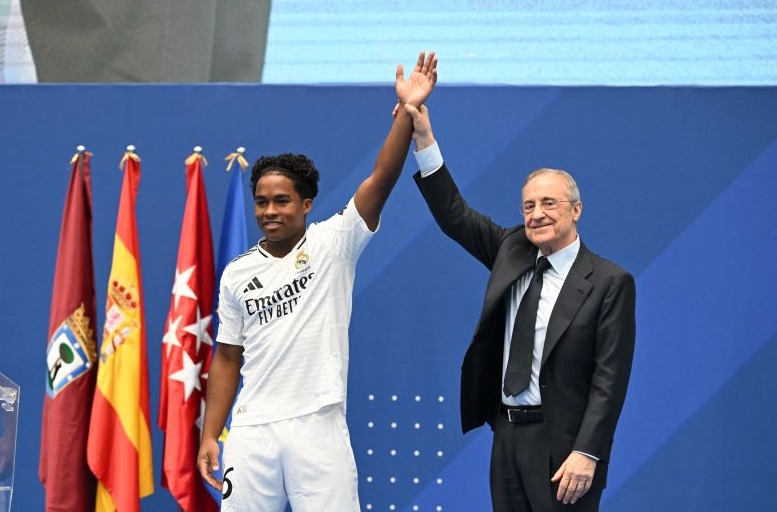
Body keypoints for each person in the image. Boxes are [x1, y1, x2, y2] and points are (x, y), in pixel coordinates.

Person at [197, 52, 437, 512]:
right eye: (262, 202)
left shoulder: (334, 243)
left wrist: (408, 113)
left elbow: (381, 180)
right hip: (252, 431)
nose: (270, 211)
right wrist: (211, 433)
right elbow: (227, 356)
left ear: (306, 204)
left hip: (318, 425)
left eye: (282, 200)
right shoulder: (237, 273)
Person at [405, 104, 636, 512]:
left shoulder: (608, 282)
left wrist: (588, 452)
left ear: (576, 211)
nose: (537, 214)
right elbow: (454, 215)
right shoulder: (511, 249)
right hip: (508, 437)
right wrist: (423, 136)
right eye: (528, 206)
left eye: (549, 203)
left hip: (565, 448)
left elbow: (610, 380)